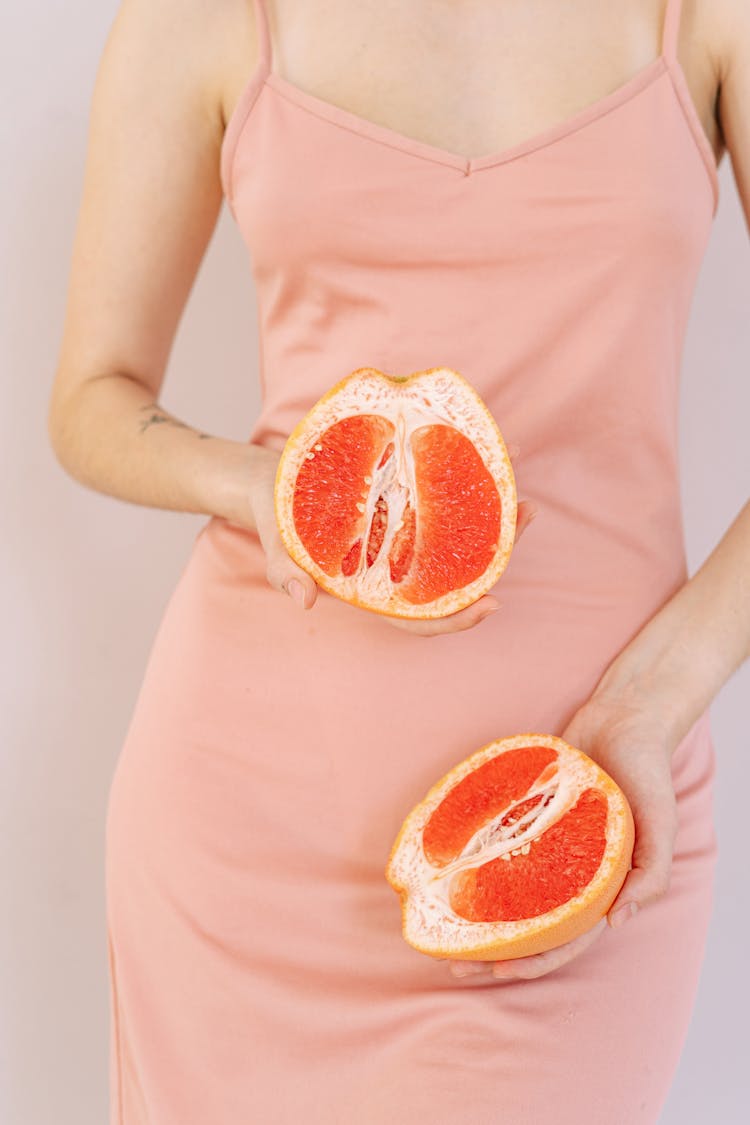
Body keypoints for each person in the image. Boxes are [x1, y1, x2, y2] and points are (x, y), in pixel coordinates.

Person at [47, 0, 749, 1121]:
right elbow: (92, 396)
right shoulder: (199, 20)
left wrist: (655, 701)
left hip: (580, 801)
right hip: (248, 817)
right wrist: (258, 486)